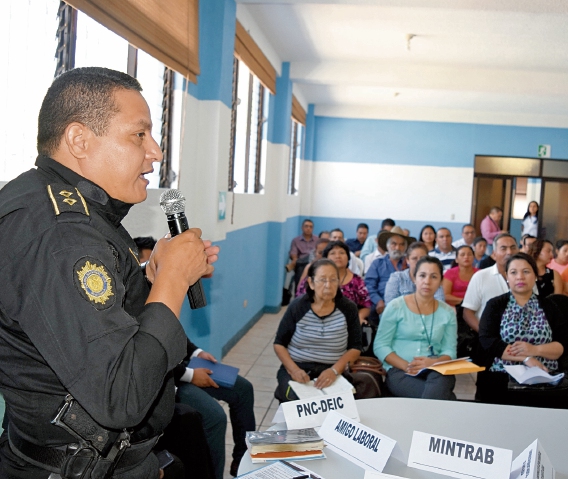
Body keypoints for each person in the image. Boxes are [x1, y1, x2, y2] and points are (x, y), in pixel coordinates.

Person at [0, 67, 218, 479]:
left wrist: (151, 277)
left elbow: (79, 317)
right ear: (79, 140)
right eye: (139, 135)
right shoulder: (61, 233)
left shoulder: (65, 207)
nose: (155, 151)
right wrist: (172, 282)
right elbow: (121, 396)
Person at [477, 253, 568, 407]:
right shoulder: (495, 305)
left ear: (535, 275)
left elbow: (563, 344)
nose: (520, 277)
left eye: (526, 272)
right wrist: (526, 358)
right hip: (502, 373)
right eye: (514, 272)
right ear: (507, 276)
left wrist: (535, 350)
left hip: (544, 374)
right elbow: (488, 342)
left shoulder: (549, 306)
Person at [273, 259, 362, 402]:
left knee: (337, 403)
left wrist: (334, 371)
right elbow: (279, 344)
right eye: (322, 280)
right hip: (298, 367)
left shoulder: (348, 308)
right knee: (297, 400)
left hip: (333, 369)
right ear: (311, 283)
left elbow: (355, 347)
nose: (328, 285)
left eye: (333, 280)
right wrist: (294, 370)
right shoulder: (298, 307)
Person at [374, 257, 457, 400]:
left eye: (434, 277)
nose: (427, 281)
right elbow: (380, 345)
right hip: (400, 370)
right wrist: (408, 366)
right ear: (414, 278)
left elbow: (449, 350)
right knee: (444, 398)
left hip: (436, 369)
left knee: (442, 380)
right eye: (422, 275)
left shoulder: (448, 312)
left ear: (441, 281)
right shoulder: (396, 306)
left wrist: (432, 363)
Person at [175, 340, 255, 478]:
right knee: (215, 417)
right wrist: (190, 375)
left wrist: (197, 352)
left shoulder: (164, 319)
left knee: (244, 389)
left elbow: (174, 333)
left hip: (181, 366)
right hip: (169, 378)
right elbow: (150, 359)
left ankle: (241, 462)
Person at [462, 234, 519, 333]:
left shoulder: (526, 277)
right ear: (494, 254)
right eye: (503, 248)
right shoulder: (480, 276)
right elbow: (468, 312)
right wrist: (485, 335)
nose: (509, 252)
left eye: (513, 248)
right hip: (488, 339)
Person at [364, 226, 411, 326]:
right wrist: (378, 301)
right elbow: (369, 286)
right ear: (387, 246)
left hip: (408, 305)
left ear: (406, 248)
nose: (398, 248)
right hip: (383, 304)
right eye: (394, 244)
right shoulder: (377, 263)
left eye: (402, 244)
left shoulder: (410, 264)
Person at [319, 241, 372, 324]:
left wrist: (359, 317)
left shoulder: (357, 281)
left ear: (348, 258)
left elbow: (367, 305)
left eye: (342, 253)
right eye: (332, 253)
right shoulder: (317, 279)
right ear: (326, 258)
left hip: (349, 323)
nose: (338, 256)